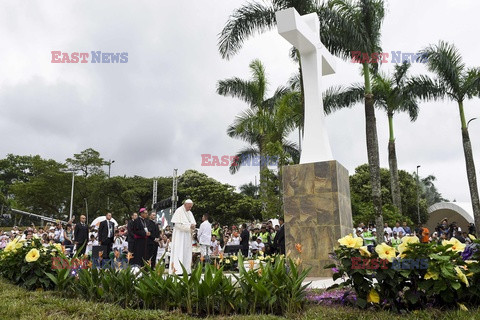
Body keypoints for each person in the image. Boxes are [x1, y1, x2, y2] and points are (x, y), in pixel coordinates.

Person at [170, 199, 196, 274]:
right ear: (185, 205)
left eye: (191, 207)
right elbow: (177, 225)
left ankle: (187, 270)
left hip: (187, 236)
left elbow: (193, 223)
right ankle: (178, 270)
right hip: (180, 235)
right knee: (179, 251)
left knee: (187, 252)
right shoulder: (179, 211)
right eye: (189, 207)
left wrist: (193, 227)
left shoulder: (190, 213)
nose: (190, 209)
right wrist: (189, 226)